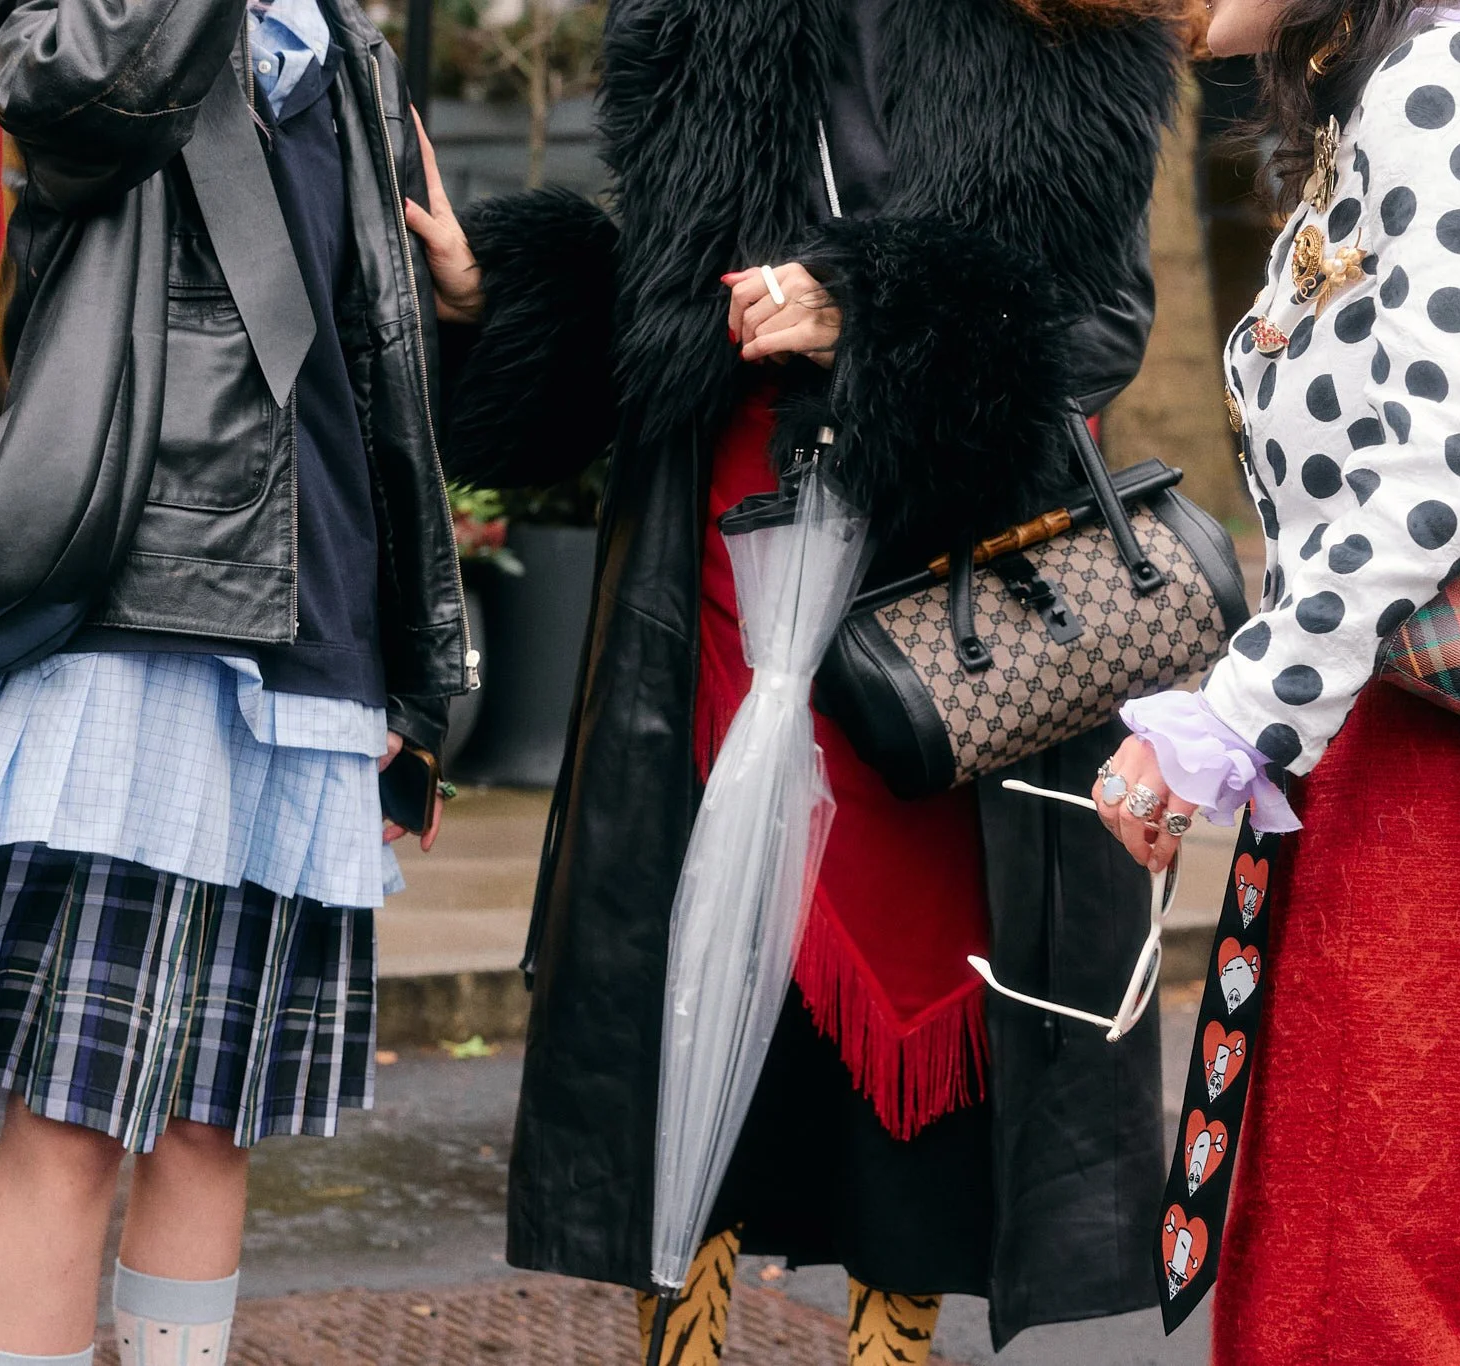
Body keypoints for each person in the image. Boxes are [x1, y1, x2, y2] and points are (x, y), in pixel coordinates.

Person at [402, 0, 1185, 1357]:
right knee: (700, 982)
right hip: (715, 572)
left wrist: (868, 307)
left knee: (917, 988)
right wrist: (499, 294)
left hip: (940, 607)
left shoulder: (1078, 22)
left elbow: (1099, 327)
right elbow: (659, 312)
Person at [0, 0, 468, 1360]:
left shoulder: (352, 58)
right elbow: (64, 102)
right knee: (73, 1111)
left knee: (211, 1117)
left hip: (317, 643)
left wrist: (412, 690)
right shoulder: (91, 15)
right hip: (137, 618)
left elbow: (374, 380)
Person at [1091, 1, 1460, 1361]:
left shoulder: (1448, 85)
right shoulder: (1391, 101)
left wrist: (1231, 715)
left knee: (1414, 1290)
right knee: (1354, 1264)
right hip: (1423, 762)